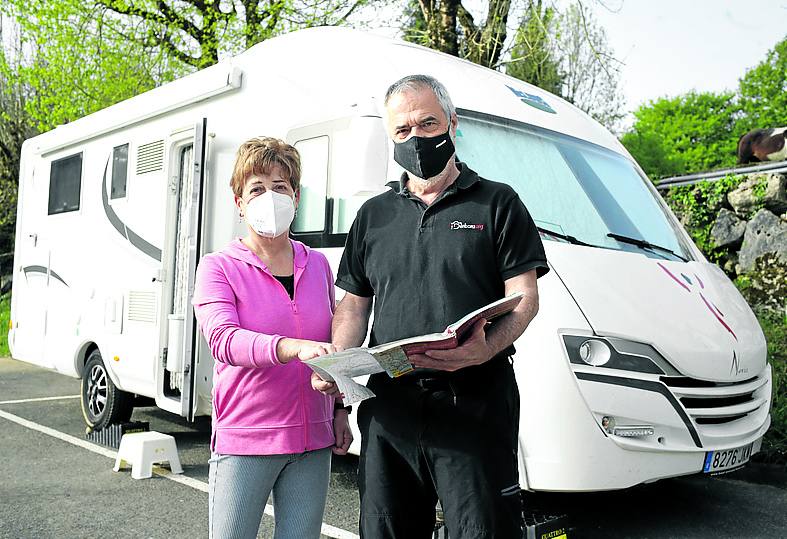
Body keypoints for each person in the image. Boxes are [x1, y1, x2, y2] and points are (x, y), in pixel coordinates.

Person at [314, 75, 549, 538]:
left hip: (475, 400)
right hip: (391, 406)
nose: (415, 138)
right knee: (386, 530)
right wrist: (337, 363)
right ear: (390, 136)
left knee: (482, 531)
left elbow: (525, 298)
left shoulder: (498, 202)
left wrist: (483, 349)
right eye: (402, 130)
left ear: (452, 124)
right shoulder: (372, 215)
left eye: (427, 123)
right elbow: (354, 306)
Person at [192, 137, 353, 539]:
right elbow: (223, 340)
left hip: (312, 442)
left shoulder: (317, 265)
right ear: (239, 202)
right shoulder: (218, 267)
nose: (270, 197)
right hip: (247, 439)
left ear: (296, 197)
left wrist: (340, 411)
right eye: (257, 188)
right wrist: (290, 347)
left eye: (280, 187)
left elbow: (331, 343)